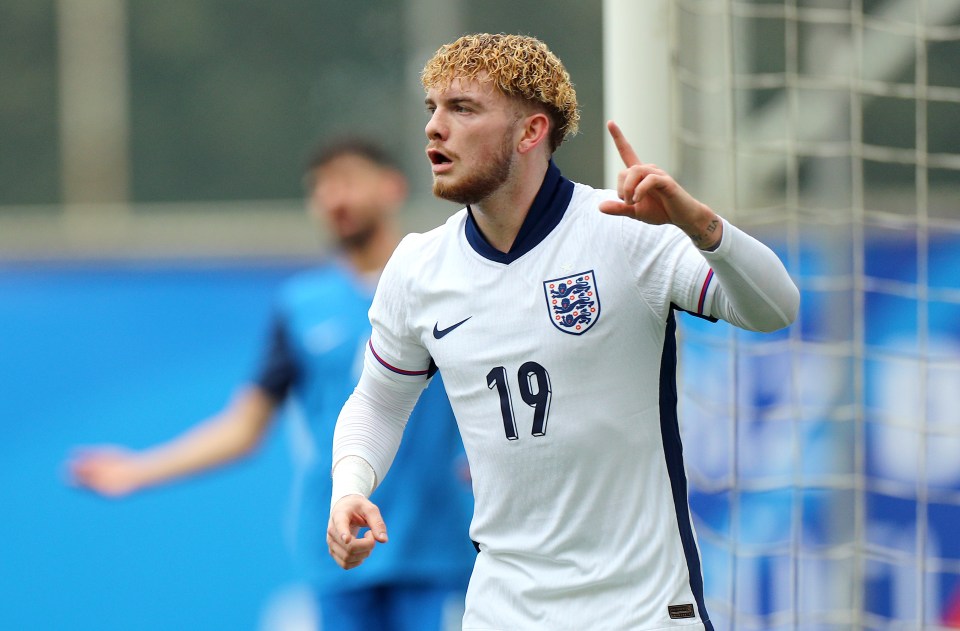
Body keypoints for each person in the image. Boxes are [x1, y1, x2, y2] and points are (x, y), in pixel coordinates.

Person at [325, 33, 800, 631]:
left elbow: (775, 308)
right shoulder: (419, 267)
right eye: (432, 110)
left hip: (644, 613)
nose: (435, 128)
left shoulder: (627, 231)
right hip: (505, 612)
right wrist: (348, 488)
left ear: (530, 132)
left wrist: (697, 222)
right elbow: (378, 401)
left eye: (463, 109)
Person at [68, 138, 476, 631]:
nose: (334, 198)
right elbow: (243, 427)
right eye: (320, 188)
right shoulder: (302, 305)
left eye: (347, 181)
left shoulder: (443, 283)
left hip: (437, 550)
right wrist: (136, 470)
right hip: (338, 549)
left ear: (392, 187)